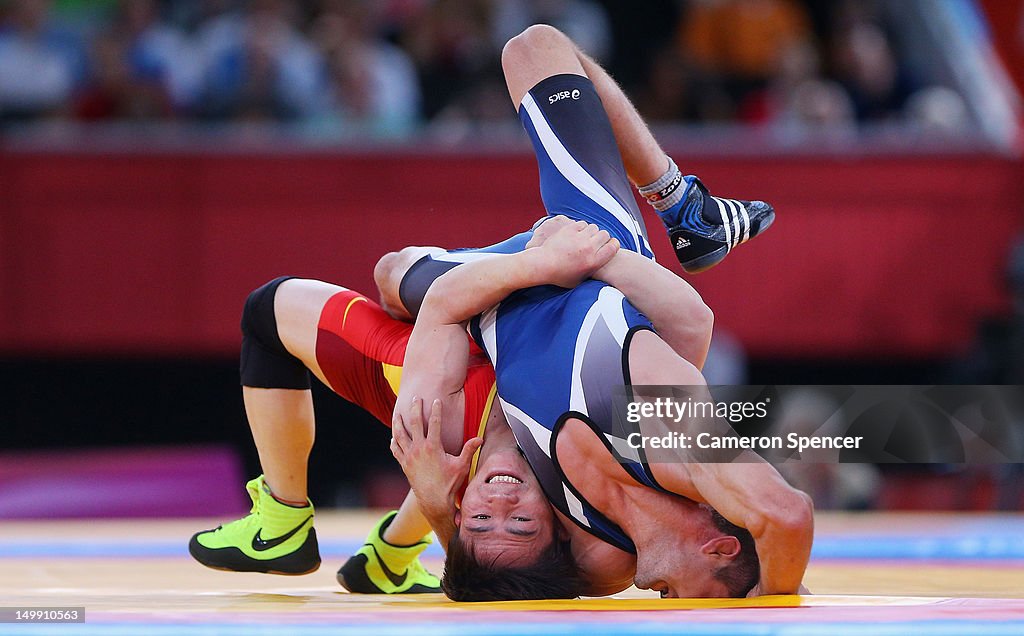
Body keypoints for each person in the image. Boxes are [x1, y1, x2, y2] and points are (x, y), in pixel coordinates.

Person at [385, 24, 811, 600]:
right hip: (591, 253)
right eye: (683, 600)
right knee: (535, 49)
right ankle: (683, 204)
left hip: (490, 294)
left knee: (391, 273)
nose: (664, 599)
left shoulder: (599, 558)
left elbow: (485, 576)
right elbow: (786, 515)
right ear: (720, 547)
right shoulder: (677, 449)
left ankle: (686, 209)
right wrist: (777, 604)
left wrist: (438, 507)